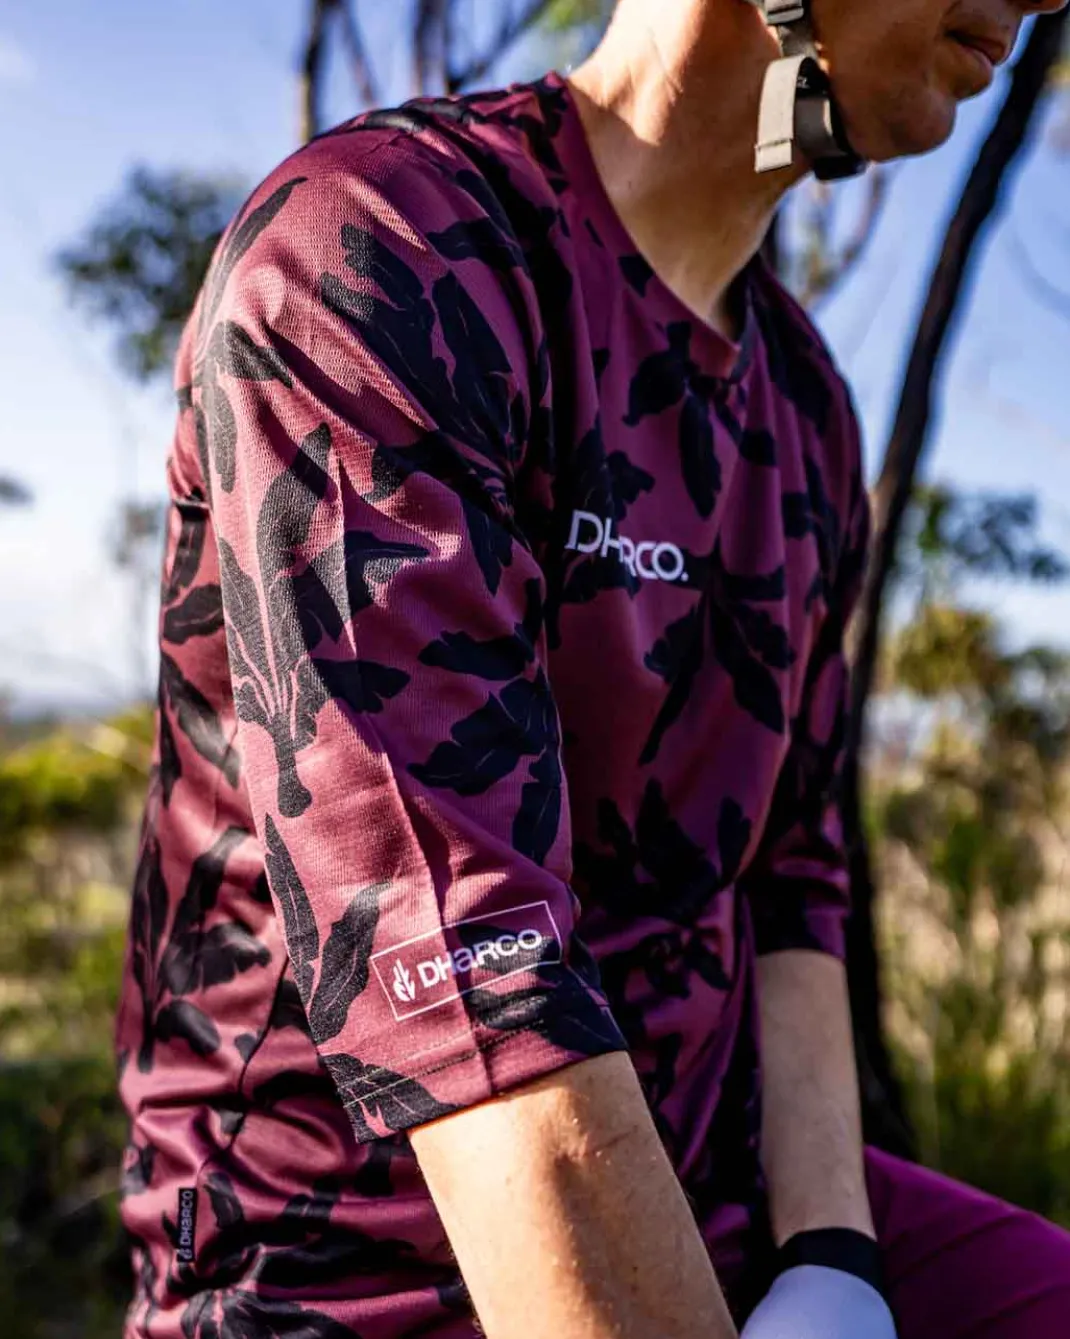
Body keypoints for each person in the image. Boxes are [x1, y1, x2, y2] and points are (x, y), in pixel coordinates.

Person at [116, 1, 1070, 1336]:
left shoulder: (806, 404)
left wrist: (833, 1255)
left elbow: (793, 871)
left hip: (724, 1188)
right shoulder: (384, 248)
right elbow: (456, 964)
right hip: (352, 1263)